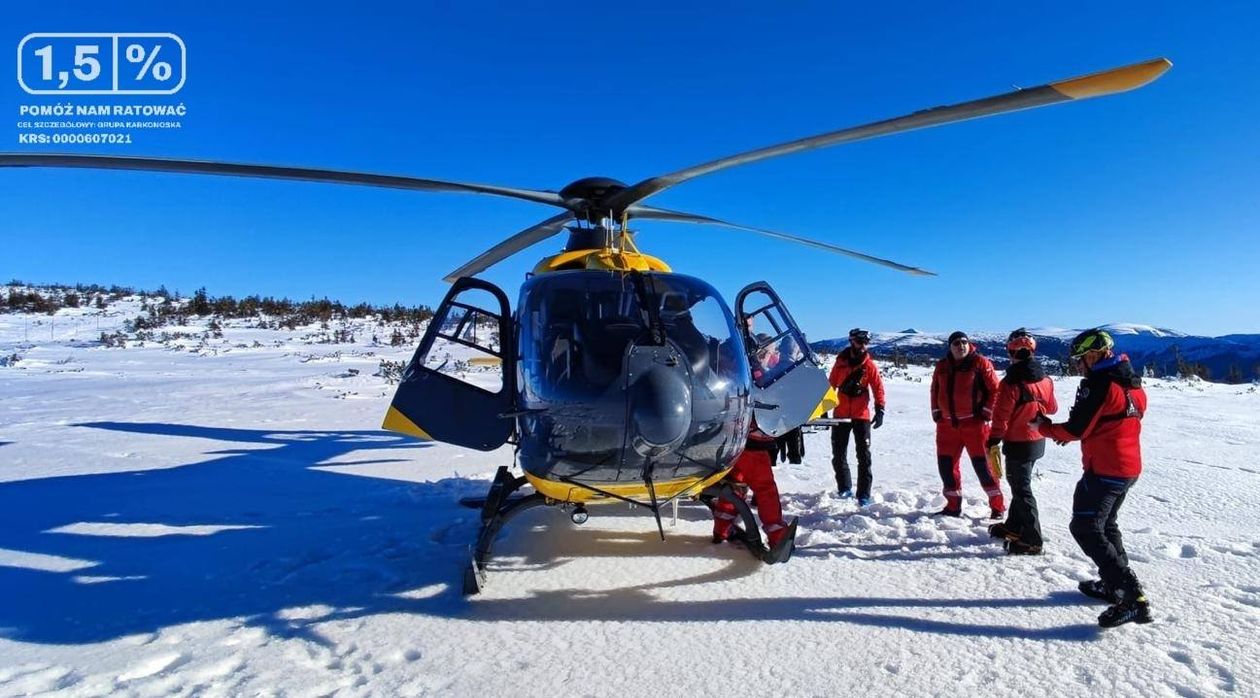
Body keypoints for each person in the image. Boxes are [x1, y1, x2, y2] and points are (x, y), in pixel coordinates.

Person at [1035, 328, 1152, 628]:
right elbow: (1113, 421)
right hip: (1128, 468)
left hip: (1106, 470)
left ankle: (1130, 597)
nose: (1077, 365)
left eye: (1080, 359)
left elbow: (1076, 429)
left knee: (1085, 526)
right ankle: (1115, 584)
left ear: (1094, 355)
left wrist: (1044, 427)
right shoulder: (1133, 384)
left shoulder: (1099, 384)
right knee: (1106, 524)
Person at [985, 329, 1057, 554]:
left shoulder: (1010, 383)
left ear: (1011, 352)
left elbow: (1001, 416)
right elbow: (1053, 408)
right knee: (1020, 485)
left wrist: (993, 439)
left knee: (1021, 488)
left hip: (1018, 442)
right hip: (1038, 440)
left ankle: (1032, 540)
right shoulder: (1045, 379)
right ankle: (1014, 526)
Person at [929, 330, 1003, 517]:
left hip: (975, 425)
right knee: (946, 467)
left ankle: (997, 507)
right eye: (956, 343)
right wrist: (936, 412)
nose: (961, 346)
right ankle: (953, 506)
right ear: (950, 347)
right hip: (947, 426)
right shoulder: (942, 366)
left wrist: (986, 412)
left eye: (964, 342)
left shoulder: (980, 363)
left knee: (984, 468)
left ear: (969, 344)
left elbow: (995, 391)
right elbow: (934, 390)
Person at [712, 416, 794, 556]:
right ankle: (777, 536)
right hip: (754, 447)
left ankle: (722, 529)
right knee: (766, 491)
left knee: (732, 488)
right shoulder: (765, 395)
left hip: (731, 445)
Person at [827, 328, 886, 505]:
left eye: (866, 342)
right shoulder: (840, 363)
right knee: (838, 454)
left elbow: (878, 387)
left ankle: (864, 495)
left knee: (864, 457)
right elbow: (830, 386)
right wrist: (823, 408)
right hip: (841, 415)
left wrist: (880, 408)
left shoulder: (869, 365)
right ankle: (844, 487)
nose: (863, 346)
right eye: (860, 342)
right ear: (852, 341)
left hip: (861, 416)